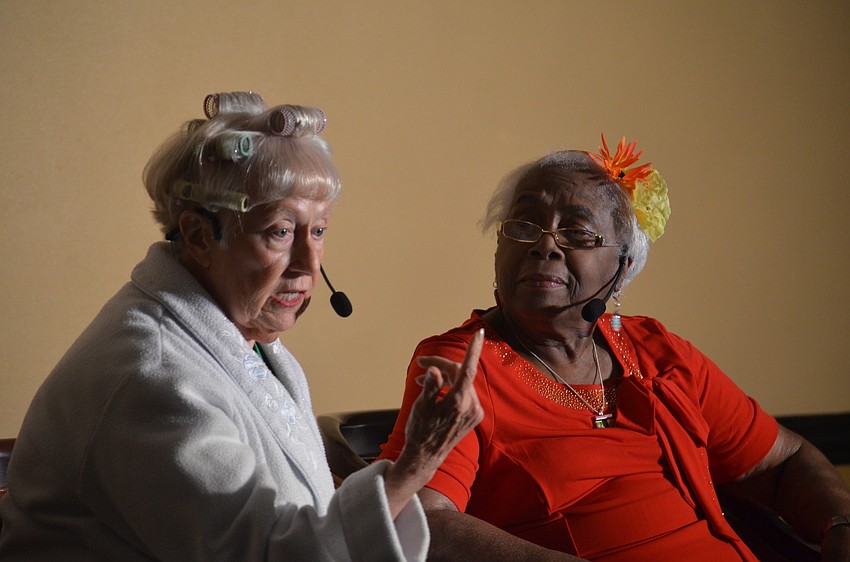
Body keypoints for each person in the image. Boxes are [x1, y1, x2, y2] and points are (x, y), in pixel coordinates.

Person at [0, 91, 484, 561]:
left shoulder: (247, 342)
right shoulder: (154, 377)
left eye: (318, 230)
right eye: (280, 231)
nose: (308, 264)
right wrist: (413, 466)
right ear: (197, 235)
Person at [378, 136, 850, 561]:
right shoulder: (464, 364)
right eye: (523, 225)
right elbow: (421, 520)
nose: (545, 245)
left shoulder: (656, 350)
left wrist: (839, 524)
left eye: (577, 233)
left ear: (622, 269)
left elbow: (783, 461)